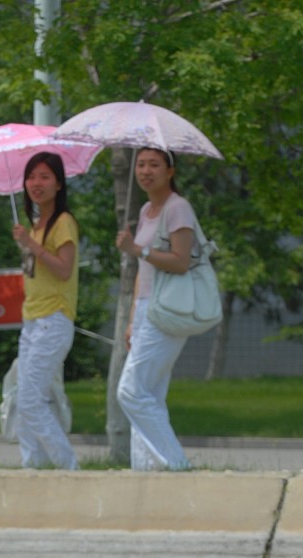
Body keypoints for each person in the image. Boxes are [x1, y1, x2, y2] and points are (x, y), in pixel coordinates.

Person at [115, 147, 194, 471]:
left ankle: (176, 464)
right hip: (147, 309)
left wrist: (137, 248)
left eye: (154, 165)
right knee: (149, 393)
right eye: (141, 164)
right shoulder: (147, 209)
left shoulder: (178, 209)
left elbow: (181, 261)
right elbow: (142, 274)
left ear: (170, 171)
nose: (146, 171)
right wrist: (133, 320)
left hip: (168, 309)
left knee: (131, 392)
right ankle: (147, 471)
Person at [11, 152, 79, 470]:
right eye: (31, 177)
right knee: (23, 398)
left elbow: (64, 270)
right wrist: (29, 244)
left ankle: (68, 467)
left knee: (29, 399)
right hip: (32, 321)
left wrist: (33, 246)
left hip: (54, 320)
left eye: (44, 176)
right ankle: (32, 466)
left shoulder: (63, 223)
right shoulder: (37, 226)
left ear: (59, 183)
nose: (36, 184)